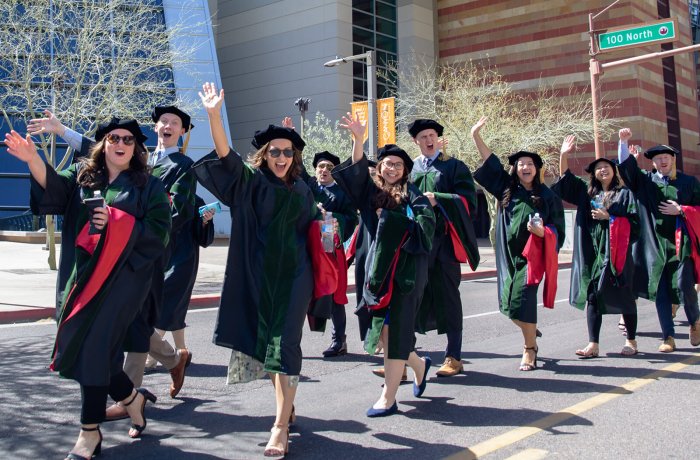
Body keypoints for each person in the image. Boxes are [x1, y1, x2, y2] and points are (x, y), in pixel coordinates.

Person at [4, 118, 171, 459]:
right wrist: (33, 159)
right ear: (103, 143)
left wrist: (117, 221)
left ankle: (89, 433)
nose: (120, 144)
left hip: (122, 282)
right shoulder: (84, 177)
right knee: (99, 353)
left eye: (128, 139)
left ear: (136, 148)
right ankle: (133, 399)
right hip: (80, 278)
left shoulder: (147, 187)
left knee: (93, 347)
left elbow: (160, 233)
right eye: (113, 138)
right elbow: (51, 189)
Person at [191, 82, 331, 456]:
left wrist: (326, 224)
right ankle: (287, 404)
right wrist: (213, 115)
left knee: (285, 348)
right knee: (268, 349)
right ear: (265, 155)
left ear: (294, 156)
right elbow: (226, 157)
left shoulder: (303, 188)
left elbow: (312, 227)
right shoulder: (251, 183)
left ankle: (280, 426)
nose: (281, 157)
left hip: (295, 278)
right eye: (274, 152)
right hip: (258, 276)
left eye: (287, 152)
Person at [332, 112, 435, 417]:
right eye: (387, 163)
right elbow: (355, 174)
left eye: (398, 164)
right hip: (377, 271)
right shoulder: (371, 194)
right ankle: (418, 364)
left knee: (396, 330)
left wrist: (392, 223)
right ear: (380, 167)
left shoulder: (415, 198)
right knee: (389, 332)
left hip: (404, 274)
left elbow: (425, 233)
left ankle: (388, 398)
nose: (391, 168)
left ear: (405, 171)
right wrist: (358, 140)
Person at [471, 116, 565, 371]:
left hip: (531, 258)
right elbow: (490, 163)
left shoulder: (547, 196)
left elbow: (559, 228)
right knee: (510, 308)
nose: (525, 167)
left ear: (537, 169)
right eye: (521, 164)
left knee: (522, 301)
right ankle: (531, 331)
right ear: (515, 169)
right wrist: (475, 135)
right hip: (507, 257)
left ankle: (529, 349)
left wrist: (543, 232)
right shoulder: (506, 189)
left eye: (530, 164)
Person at [553, 135, 639, 357]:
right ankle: (593, 344)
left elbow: (635, 224)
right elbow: (565, 178)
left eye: (606, 167)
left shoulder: (625, 194)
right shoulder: (587, 193)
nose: (602, 170)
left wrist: (610, 217)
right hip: (594, 254)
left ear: (614, 170)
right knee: (593, 295)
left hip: (618, 254)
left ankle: (631, 341)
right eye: (598, 168)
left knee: (624, 295)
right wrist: (564, 154)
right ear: (593, 174)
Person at [617, 128, 700, 352]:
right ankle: (668, 337)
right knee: (661, 291)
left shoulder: (688, 182)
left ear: (673, 160)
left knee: (684, 286)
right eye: (658, 159)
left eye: (666, 158)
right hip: (655, 245)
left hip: (681, 245)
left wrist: (681, 209)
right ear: (653, 163)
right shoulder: (646, 183)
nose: (662, 161)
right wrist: (623, 143)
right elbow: (627, 169)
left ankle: (695, 321)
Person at [409, 119, 480, 377]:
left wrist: (438, 199)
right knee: (411, 294)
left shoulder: (453, 167)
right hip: (418, 242)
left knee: (449, 295)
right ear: (415, 142)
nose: (428, 140)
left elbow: (468, 201)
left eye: (432, 135)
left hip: (445, 243)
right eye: (423, 137)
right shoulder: (410, 169)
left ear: (439, 139)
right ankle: (405, 355)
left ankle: (454, 356)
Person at [303, 149, 358, 356]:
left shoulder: (343, 193)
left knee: (334, 293)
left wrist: (330, 217)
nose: (324, 170)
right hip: (305, 244)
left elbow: (351, 219)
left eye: (329, 167)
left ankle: (339, 340)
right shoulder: (307, 188)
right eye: (320, 167)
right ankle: (290, 341)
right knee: (301, 292)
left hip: (329, 244)